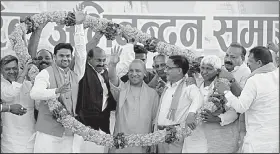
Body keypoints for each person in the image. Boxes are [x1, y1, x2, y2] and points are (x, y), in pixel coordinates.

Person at [29, 5, 87, 153]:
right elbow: (34, 93)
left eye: (68, 56)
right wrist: (56, 91)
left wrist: (79, 26)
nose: (65, 58)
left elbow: (81, 53)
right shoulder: (46, 73)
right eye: (61, 55)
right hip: (48, 133)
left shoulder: (76, 74)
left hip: (68, 133)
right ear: (54, 57)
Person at [215, 46, 279, 153]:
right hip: (275, 139)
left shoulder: (255, 80)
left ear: (259, 63)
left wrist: (226, 92)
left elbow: (241, 107)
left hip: (257, 141)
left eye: (250, 61)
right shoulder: (276, 76)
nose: (247, 64)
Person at [183, 55, 239, 153]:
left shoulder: (222, 86)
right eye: (202, 68)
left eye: (209, 69)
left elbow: (234, 112)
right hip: (193, 137)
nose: (204, 72)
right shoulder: (197, 83)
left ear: (218, 71)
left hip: (214, 137)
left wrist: (217, 118)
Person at [108, 46, 159, 153]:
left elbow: (155, 122)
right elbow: (113, 78)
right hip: (120, 145)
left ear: (145, 73)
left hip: (142, 145)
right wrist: (112, 65)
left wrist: (152, 143)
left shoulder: (152, 94)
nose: (134, 74)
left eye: (138, 71)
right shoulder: (122, 89)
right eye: (131, 71)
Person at [154, 55, 203, 153]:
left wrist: (191, 113)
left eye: (168, 68)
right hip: (160, 135)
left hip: (174, 136)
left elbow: (198, 97)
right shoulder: (167, 86)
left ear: (179, 70)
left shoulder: (187, 85)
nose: (165, 70)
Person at [75, 45, 117, 153]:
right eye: (98, 60)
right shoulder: (83, 71)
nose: (102, 63)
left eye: (104, 60)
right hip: (86, 126)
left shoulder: (105, 73)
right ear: (89, 59)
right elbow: (80, 54)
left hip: (103, 127)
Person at [1, 55, 36, 153]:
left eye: (14, 68)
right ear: (1, 70)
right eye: (7, 69)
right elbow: (10, 94)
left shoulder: (28, 84)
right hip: (10, 142)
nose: (12, 72)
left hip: (30, 139)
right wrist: (24, 73)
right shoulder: (2, 85)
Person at [28, 21, 54, 121]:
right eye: (39, 58)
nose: (43, 60)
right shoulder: (32, 74)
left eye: (47, 58)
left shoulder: (59, 74)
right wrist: (38, 30)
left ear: (53, 60)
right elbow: (30, 53)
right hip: (38, 119)